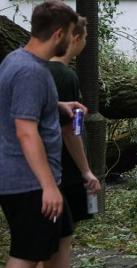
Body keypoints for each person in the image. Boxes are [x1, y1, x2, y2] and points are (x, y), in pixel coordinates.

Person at [0, 0, 85, 268]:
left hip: (34, 180)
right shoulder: (30, 71)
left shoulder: (18, 58)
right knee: (26, 255)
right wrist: (49, 187)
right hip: (28, 182)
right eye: (69, 33)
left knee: (62, 232)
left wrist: (57, 106)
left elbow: (20, 106)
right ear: (59, 34)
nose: (71, 39)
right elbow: (26, 132)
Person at [47, 16, 101, 234]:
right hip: (66, 170)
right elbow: (72, 129)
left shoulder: (38, 69)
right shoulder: (66, 76)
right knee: (61, 234)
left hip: (45, 167)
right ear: (76, 39)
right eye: (86, 37)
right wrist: (86, 170)